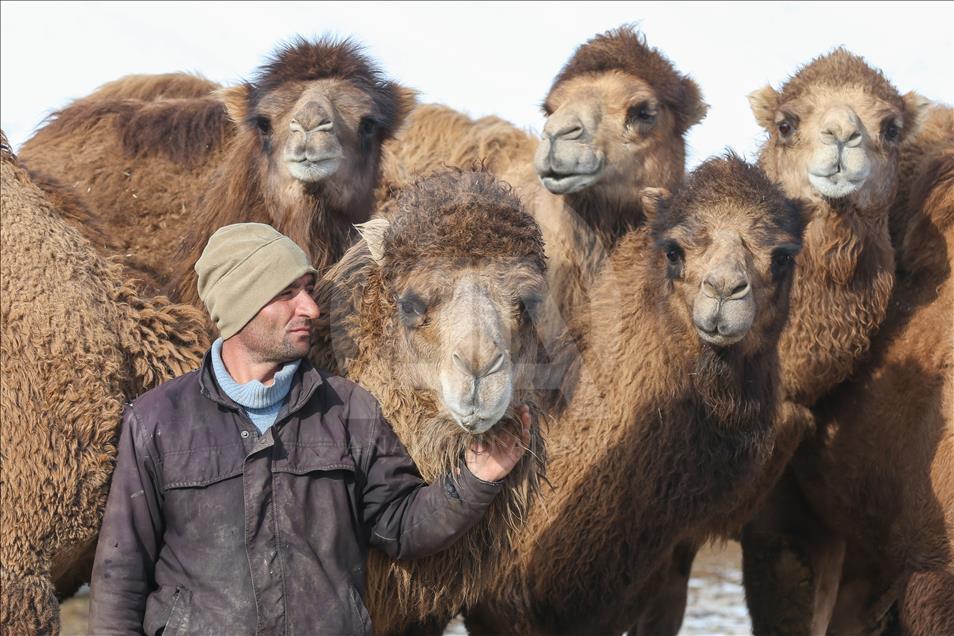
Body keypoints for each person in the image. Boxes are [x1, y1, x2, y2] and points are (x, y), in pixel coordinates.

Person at [87, 223, 528, 635]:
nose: (312, 309)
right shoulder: (158, 420)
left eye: (309, 290)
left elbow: (399, 525)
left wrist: (476, 479)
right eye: (288, 293)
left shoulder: (347, 407)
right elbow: (120, 576)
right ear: (241, 304)